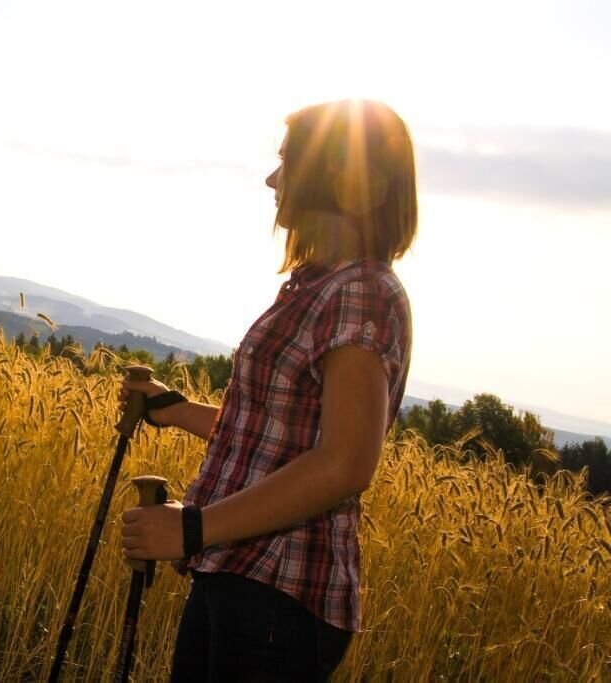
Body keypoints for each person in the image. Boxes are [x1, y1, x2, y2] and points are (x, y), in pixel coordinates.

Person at [118, 99, 416, 682]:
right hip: (243, 576)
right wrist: (174, 409)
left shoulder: (360, 291)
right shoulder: (320, 285)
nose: (272, 179)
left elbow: (346, 463)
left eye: (287, 160)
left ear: (342, 177)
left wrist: (193, 528)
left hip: (278, 594)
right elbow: (273, 434)